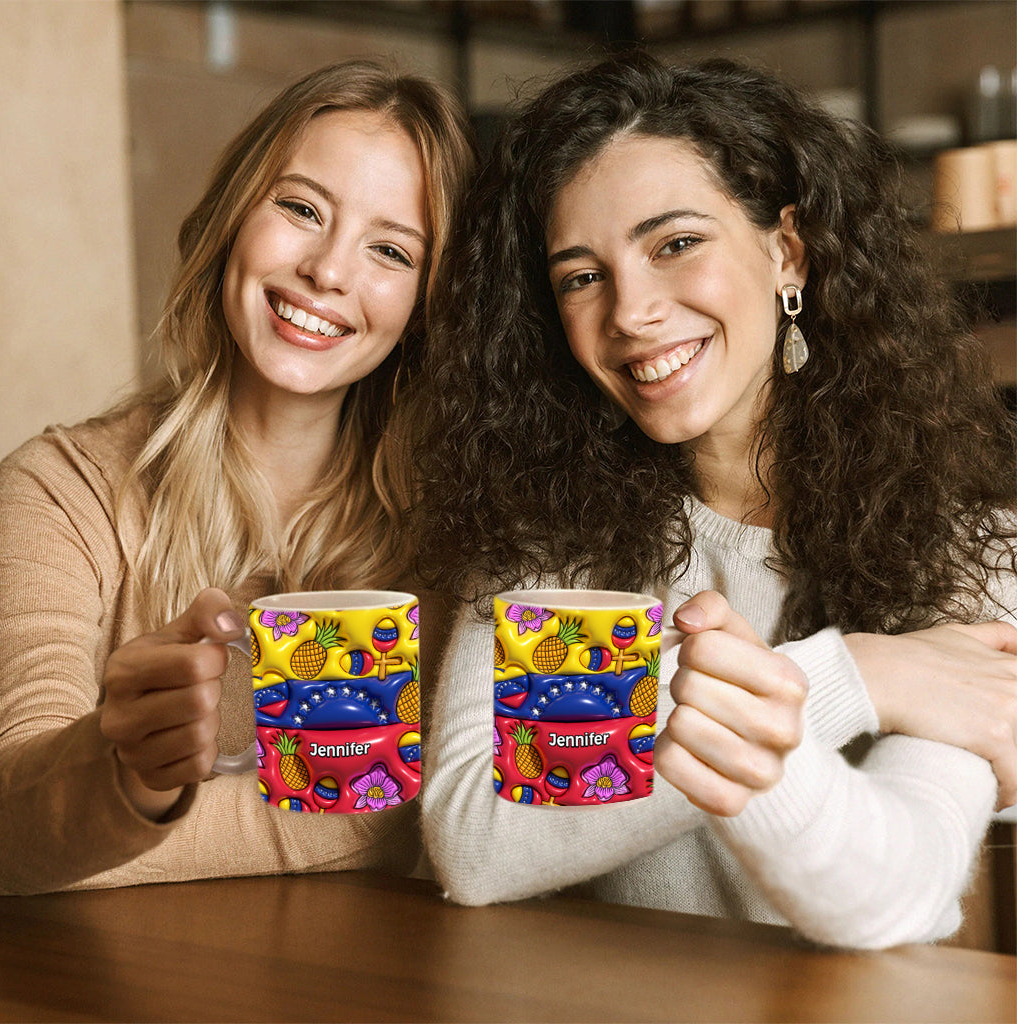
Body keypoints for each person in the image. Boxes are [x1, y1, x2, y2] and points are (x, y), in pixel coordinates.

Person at [408, 53, 1017, 949]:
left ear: (787, 252)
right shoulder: (550, 542)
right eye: (581, 276)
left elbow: (894, 891)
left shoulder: (967, 543)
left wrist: (752, 699)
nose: (630, 311)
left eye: (675, 244)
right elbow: (475, 844)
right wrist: (850, 676)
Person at [0, 59, 475, 895]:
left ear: (427, 304)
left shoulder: (452, 530)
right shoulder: (59, 492)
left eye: (390, 250)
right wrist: (130, 776)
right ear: (230, 220)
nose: (328, 270)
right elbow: (9, 825)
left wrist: (118, 831)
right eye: (300, 209)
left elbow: (420, 809)